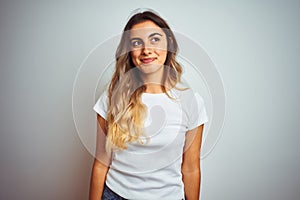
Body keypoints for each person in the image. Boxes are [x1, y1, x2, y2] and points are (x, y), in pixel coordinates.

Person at [89, 9, 208, 200]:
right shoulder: (111, 98)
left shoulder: (192, 102)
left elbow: (191, 168)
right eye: (137, 42)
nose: (146, 50)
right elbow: (101, 163)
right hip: (115, 195)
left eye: (154, 39)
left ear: (168, 44)